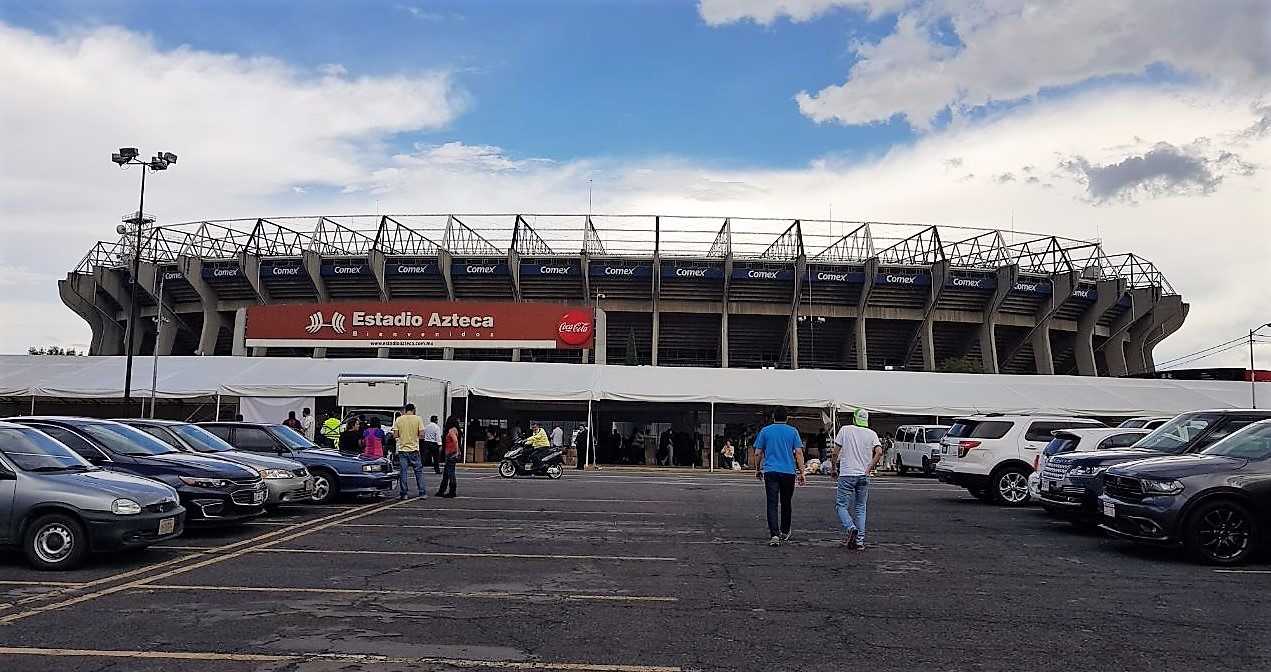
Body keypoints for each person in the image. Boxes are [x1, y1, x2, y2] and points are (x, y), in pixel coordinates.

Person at [754, 406, 806, 547]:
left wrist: (758, 469)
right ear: (787, 418)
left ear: (773, 417)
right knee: (786, 502)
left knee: (772, 503)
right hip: (788, 471)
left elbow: (758, 452)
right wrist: (802, 472)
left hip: (770, 471)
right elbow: (799, 453)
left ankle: (774, 535)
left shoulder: (765, 431)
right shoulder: (793, 431)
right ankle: (785, 530)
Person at [832, 408, 883, 550]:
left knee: (841, 506)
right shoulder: (872, 433)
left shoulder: (845, 430)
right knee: (860, 507)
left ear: (854, 418)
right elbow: (879, 452)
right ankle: (860, 541)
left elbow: (835, 452)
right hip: (863, 475)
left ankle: (850, 527)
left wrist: (833, 468)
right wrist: (869, 468)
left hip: (847, 473)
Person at [391, 403, 426, 499]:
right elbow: (422, 435)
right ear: (413, 410)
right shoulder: (418, 419)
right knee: (418, 472)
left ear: (405, 410)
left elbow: (395, 435)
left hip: (402, 449)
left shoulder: (399, 419)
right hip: (414, 449)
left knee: (403, 472)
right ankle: (422, 492)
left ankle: (404, 493)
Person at [437, 416, 460, 498]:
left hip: (451, 454)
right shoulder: (456, 429)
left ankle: (452, 491)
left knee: (450, 473)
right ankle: (441, 490)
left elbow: (455, 441)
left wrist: (456, 451)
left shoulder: (451, 431)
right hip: (452, 453)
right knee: (446, 474)